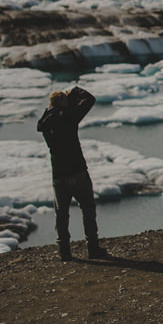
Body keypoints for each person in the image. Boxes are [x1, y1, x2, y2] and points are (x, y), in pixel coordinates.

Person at [37, 86, 109, 261]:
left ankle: (64, 251)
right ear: (64, 103)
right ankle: (92, 247)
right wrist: (75, 91)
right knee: (88, 209)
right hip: (77, 172)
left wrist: (61, 103)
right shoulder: (68, 117)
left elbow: (52, 113)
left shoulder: (45, 122)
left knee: (61, 214)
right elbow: (90, 99)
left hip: (59, 175)